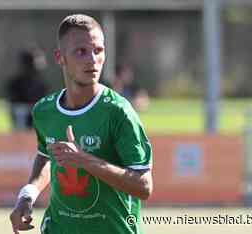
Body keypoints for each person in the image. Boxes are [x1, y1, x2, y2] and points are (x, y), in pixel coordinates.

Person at [10, 14, 153, 234]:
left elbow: (144, 186)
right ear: (60, 58)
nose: (92, 59)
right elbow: (46, 155)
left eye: (98, 50)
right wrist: (27, 194)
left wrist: (84, 160)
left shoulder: (118, 112)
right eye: (81, 51)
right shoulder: (44, 111)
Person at [6, 47, 48, 130]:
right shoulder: (15, 83)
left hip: (37, 116)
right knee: (20, 112)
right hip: (22, 118)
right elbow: (13, 106)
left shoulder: (42, 84)